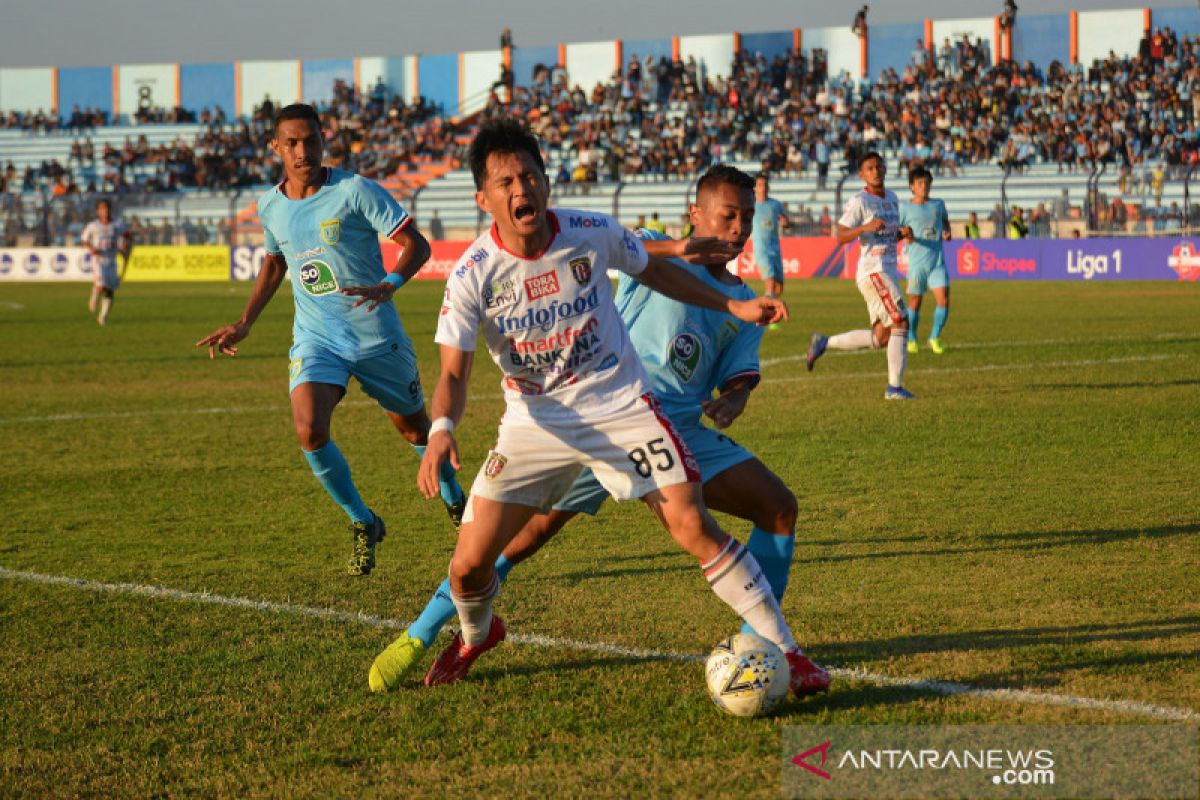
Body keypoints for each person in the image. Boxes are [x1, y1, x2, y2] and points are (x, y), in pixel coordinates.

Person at [385, 119, 829, 695]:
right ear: (483, 197)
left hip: (622, 405)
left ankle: (788, 655)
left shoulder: (587, 231)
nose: (521, 189)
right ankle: (473, 636)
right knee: (474, 564)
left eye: (529, 176)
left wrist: (732, 309)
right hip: (536, 421)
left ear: (545, 181)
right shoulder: (471, 275)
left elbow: (656, 266)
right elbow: (451, 370)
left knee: (693, 522)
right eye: (505, 181)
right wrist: (442, 428)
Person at [195, 103, 465, 577]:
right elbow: (276, 263)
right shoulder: (270, 206)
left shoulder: (355, 190)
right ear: (275, 147)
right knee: (309, 430)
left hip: (377, 337)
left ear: (324, 140)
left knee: (415, 432)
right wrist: (245, 321)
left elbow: (415, 245)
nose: (303, 151)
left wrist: (390, 285)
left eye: (311, 141)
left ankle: (455, 499)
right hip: (318, 339)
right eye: (292, 143)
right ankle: (364, 521)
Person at [805, 152, 914, 400]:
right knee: (901, 320)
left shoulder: (893, 198)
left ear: (885, 169)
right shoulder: (859, 201)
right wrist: (863, 227)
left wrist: (901, 233)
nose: (875, 171)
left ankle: (823, 343)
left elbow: (885, 235)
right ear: (862, 174)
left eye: (879, 167)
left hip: (887, 271)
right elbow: (840, 236)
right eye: (869, 168)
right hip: (874, 271)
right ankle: (894, 389)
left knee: (882, 337)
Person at [899, 166, 951, 355]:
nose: (924, 186)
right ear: (912, 186)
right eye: (920, 183)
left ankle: (934, 337)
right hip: (917, 263)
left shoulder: (938, 204)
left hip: (937, 262)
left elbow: (945, 220)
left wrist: (946, 231)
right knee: (915, 302)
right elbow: (896, 231)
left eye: (927, 183)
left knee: (944, 300)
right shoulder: (904, 207)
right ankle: (912, 338)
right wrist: (906, 235)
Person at [81, 198, 131, 326]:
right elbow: (84, 240)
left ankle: (102, 317)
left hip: (112, 260)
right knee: (101, 285)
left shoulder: (117, 225)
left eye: (107, 208)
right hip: (99, 259)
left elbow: (127, 236)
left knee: (110, 290)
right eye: (102, 208)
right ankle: (94, 294)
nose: (105, 211)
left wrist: (125, 244)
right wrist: (90, 248)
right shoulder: (93, 226)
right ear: (98, 211)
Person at [750, 173, 790, 301]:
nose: (763, 187)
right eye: (760, 185)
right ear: (755, 188)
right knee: (770, 282)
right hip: (760, 247)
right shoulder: (751, 206)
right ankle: (764, 315)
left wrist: (785, 222)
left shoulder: (775, 204)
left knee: (779, 288)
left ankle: (768, 308)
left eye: (765, 185)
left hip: (775, 247)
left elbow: (786, 222)